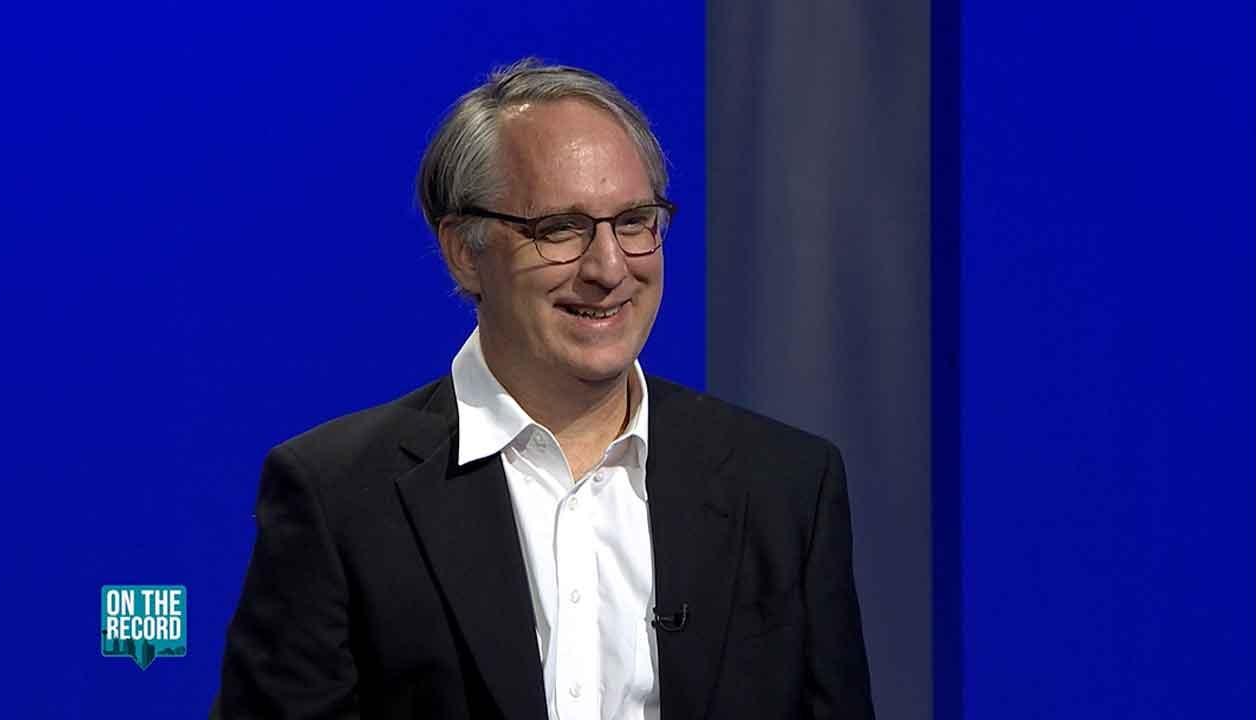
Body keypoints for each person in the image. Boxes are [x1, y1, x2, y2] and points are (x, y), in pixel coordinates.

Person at [215, 58, 874, 720]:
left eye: (635, 222)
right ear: (464, 252)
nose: (609, 268)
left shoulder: (785, 486)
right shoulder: (339, 498)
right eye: (560, 229)